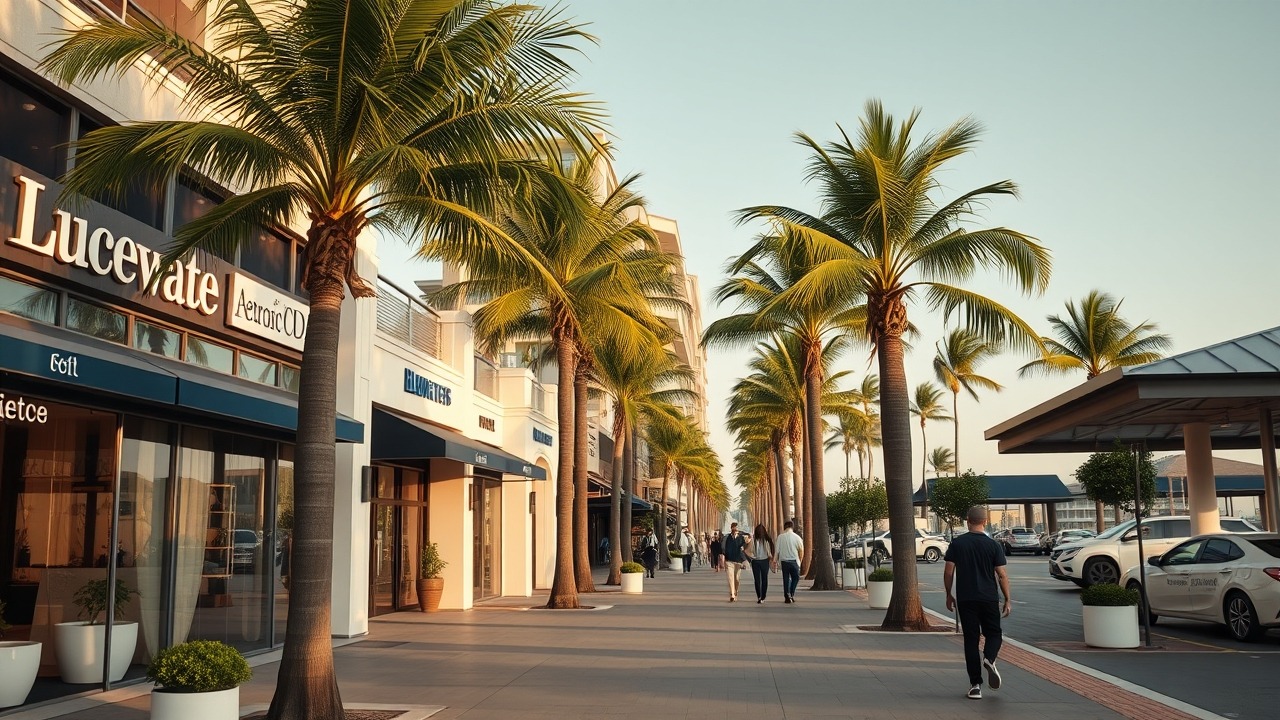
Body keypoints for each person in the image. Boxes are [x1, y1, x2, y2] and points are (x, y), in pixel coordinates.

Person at [944, 505, 1012, 701]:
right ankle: (989, 659)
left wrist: (949, 594)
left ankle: (975, 686)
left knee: (971, 641)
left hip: (966, 599)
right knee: (994, 633)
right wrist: (1007, 598)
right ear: (985, 522)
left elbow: (949, 572)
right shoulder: (993, 546)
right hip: (989, 598)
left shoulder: (958, 544)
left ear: (968, 520)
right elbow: (1002, 575)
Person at [745, 523, 777, 603]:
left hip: (756, 562)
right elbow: (771, 551)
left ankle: (759, 596)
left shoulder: (754, 540)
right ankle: (763, 596)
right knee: (764, 579)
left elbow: (747, 551)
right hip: (764, 561)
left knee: (757, 580)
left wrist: (752, 557)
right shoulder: (767, 540)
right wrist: (771, 557)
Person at [775, 520, 804, 604]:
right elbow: (801, 550)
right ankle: (791, 593)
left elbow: (777, 551)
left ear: (785, 527)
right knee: (796, 578)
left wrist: (774, 561)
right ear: (792, 527)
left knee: (786, 579)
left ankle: (787, 595)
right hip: (794, 561)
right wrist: (800, 561)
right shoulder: (797, 537)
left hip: (784, 561)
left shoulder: (780, 537)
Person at [721, 522, 748, 601]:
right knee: (730, 578)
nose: (735, 529)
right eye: (733, 527)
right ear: (731, 528)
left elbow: (745, 547)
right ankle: (732, 594)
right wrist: (723, 557)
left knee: (736, 578)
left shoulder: (741, 538)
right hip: (729, 561)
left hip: (738, 561)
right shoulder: (727, 538)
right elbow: (723, 548)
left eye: (736, 528)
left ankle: (735, 591)